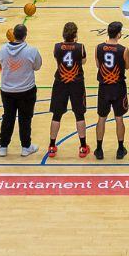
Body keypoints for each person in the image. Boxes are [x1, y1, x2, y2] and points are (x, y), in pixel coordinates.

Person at [0, 23, 42, 157]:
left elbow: (1, 62)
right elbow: (37, 66)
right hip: (26, 90)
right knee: (25, 119)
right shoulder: (32, 50)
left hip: (7, 90)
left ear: (13, 35)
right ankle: (26, 147)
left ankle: (3, 146)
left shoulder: (3, 49)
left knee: (8, 118)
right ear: (25, 35)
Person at [48, 22, 89, 158]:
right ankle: (83, 147)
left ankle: (52, 146)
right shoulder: (80, 47)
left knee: (56, 115)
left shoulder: (57, 47)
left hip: (60, 83)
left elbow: (57, 60)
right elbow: (83, 62)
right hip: (76, 83)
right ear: (75, 34)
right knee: (79, 115)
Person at [94, 21, 129, 161]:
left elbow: (98, 64)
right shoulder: (123, 49)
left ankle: (99, 149)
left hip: (104, 87)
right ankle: (120, 149)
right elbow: (127, 66)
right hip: (118, 87)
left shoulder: (98, 47)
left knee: (101, 118)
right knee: (119, 118)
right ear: (119, 33)